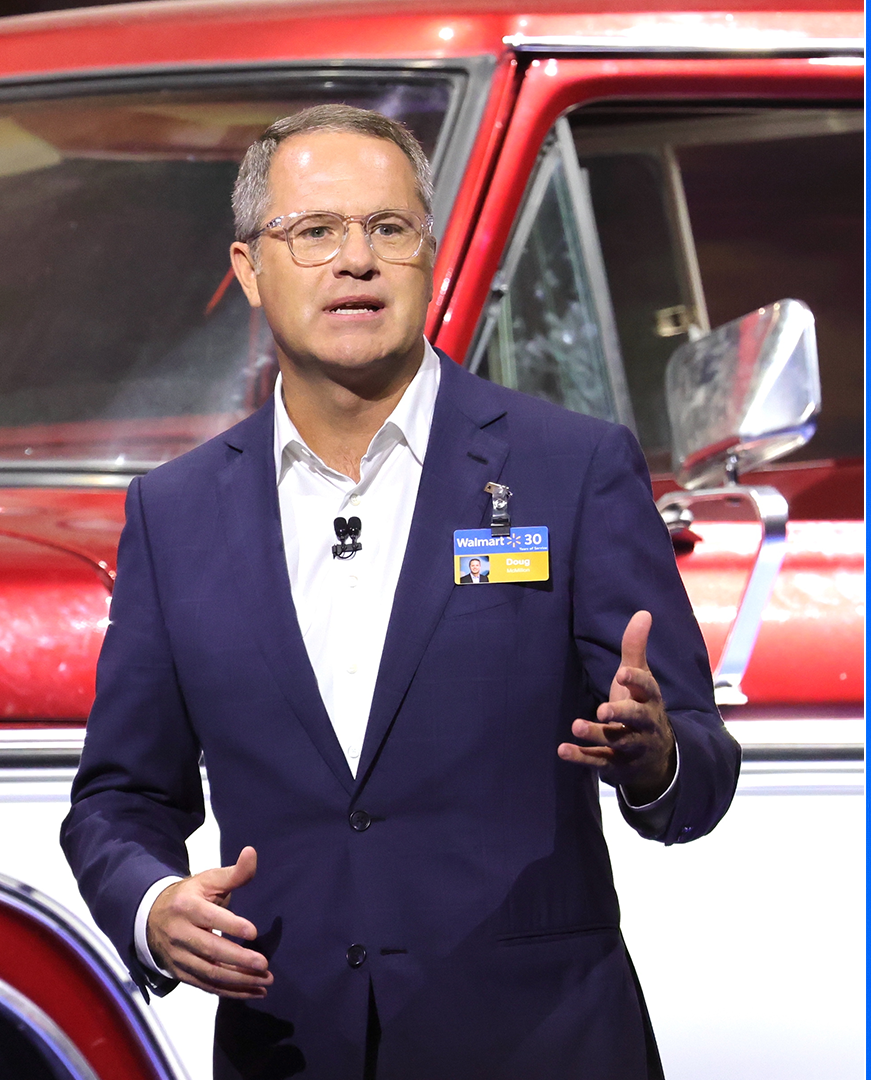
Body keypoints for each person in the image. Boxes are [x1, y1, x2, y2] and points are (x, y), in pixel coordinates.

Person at [61, 104, 739, 1079]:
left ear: (428, 255)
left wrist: (654, 755)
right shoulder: (175, 513)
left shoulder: (568, 468)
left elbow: (698, 776)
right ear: (250, 269)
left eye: (389, 229)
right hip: (291, 1047)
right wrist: (152, 905)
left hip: (543, 1046)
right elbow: (120, 797)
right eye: (316, 232)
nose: (357, 260)